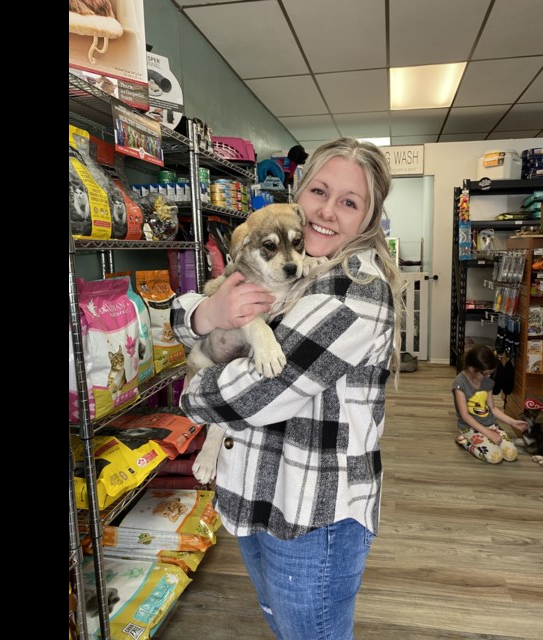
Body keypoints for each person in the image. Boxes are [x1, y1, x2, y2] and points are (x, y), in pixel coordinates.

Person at [170, 137, 404, 639]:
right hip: (259, 493)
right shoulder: (305, 272)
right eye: (319, 191)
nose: (326, 211)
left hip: (312, 517)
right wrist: (202, 314)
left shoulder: (353, 292)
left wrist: (189, 395)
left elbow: (254, 392)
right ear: (297, 194)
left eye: (349, 202)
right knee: (284, 624)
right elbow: (193, 307)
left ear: (368, 217)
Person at [452, 345, 529, 464]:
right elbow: (465, 416)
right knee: (495, 457)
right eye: (486, 373)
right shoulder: (460, 383)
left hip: (489, 424)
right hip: (469, 427)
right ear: (472, 369)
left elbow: (492, 408)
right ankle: (464, 442)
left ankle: (486, 437)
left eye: (490, 373)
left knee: (511, 455)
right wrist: (488, 433)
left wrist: (513, 422)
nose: (488, 377)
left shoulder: (487, 382)